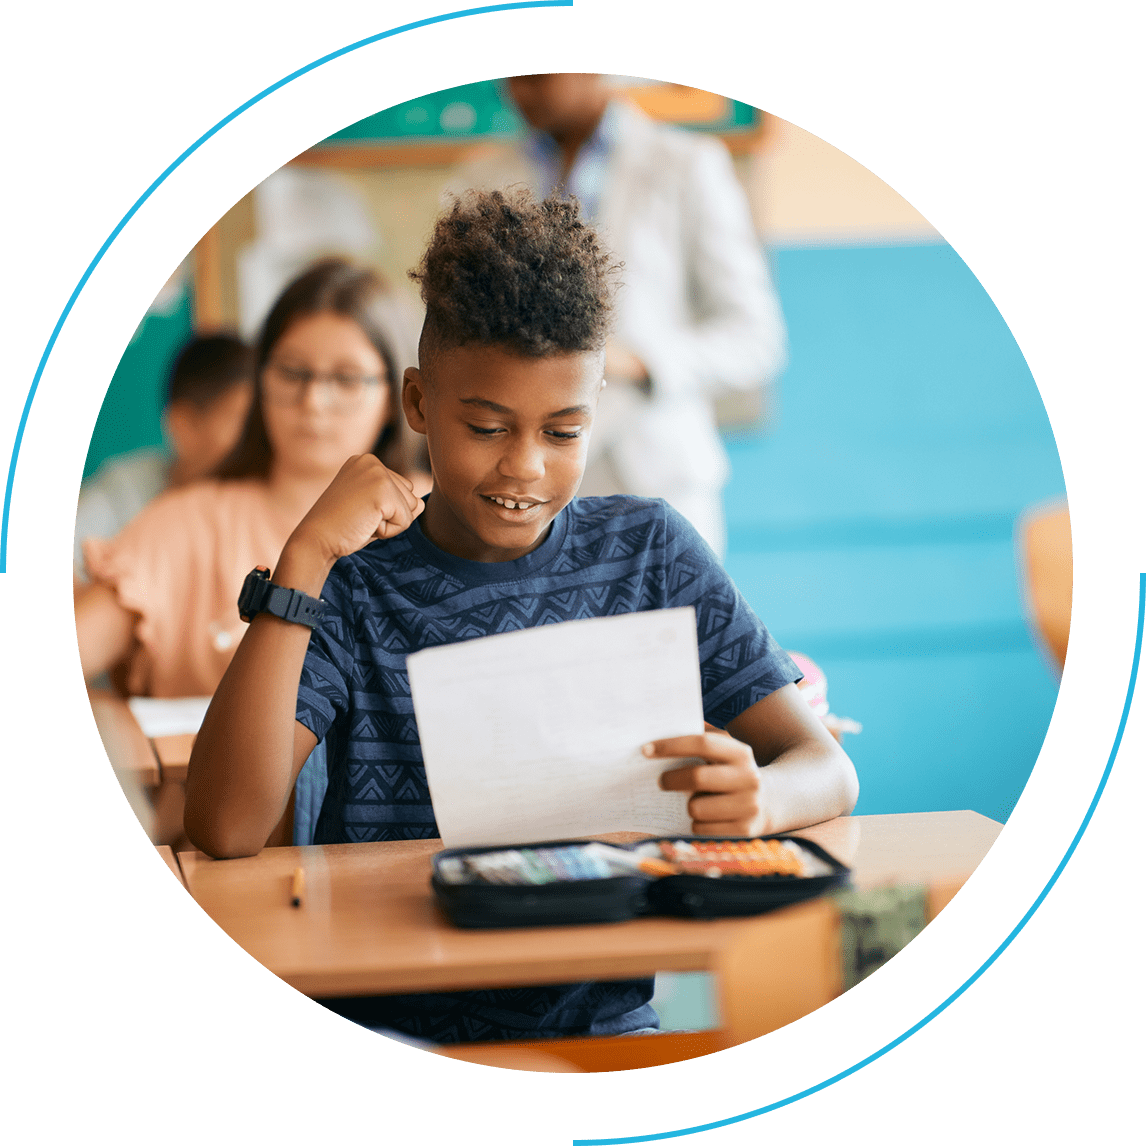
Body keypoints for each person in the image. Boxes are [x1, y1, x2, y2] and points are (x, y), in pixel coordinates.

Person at [185, 189, 857, 1044]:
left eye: (564, 431)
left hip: (601, 1023)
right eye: (486, 425)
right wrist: (305, 560)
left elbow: (827, 769)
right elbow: (226, 828)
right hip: (393, 1026)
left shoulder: (649, 553)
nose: (526, 467)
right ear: (420, 404)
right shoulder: (357, 585)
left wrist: (759, 798)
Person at [453, 73, 788, 557]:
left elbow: (755, 339)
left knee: (672, 631)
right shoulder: (479, 180)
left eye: (536, 75)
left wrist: (637, 361)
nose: (518, 91)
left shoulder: (686, 165)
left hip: (658, 477)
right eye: (510, 76)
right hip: (524, 483)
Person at [75, 257, 408, 700]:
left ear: (394, 398)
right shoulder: (184, 522)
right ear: (260, 379)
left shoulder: (442, 520)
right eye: (292, 372)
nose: (313, 400)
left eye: (346, 379)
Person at [73, 334, 254, 584]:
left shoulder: (259, 504)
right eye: (244, 424)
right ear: (184, 427)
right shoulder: (125, 493)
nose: (259, 441)